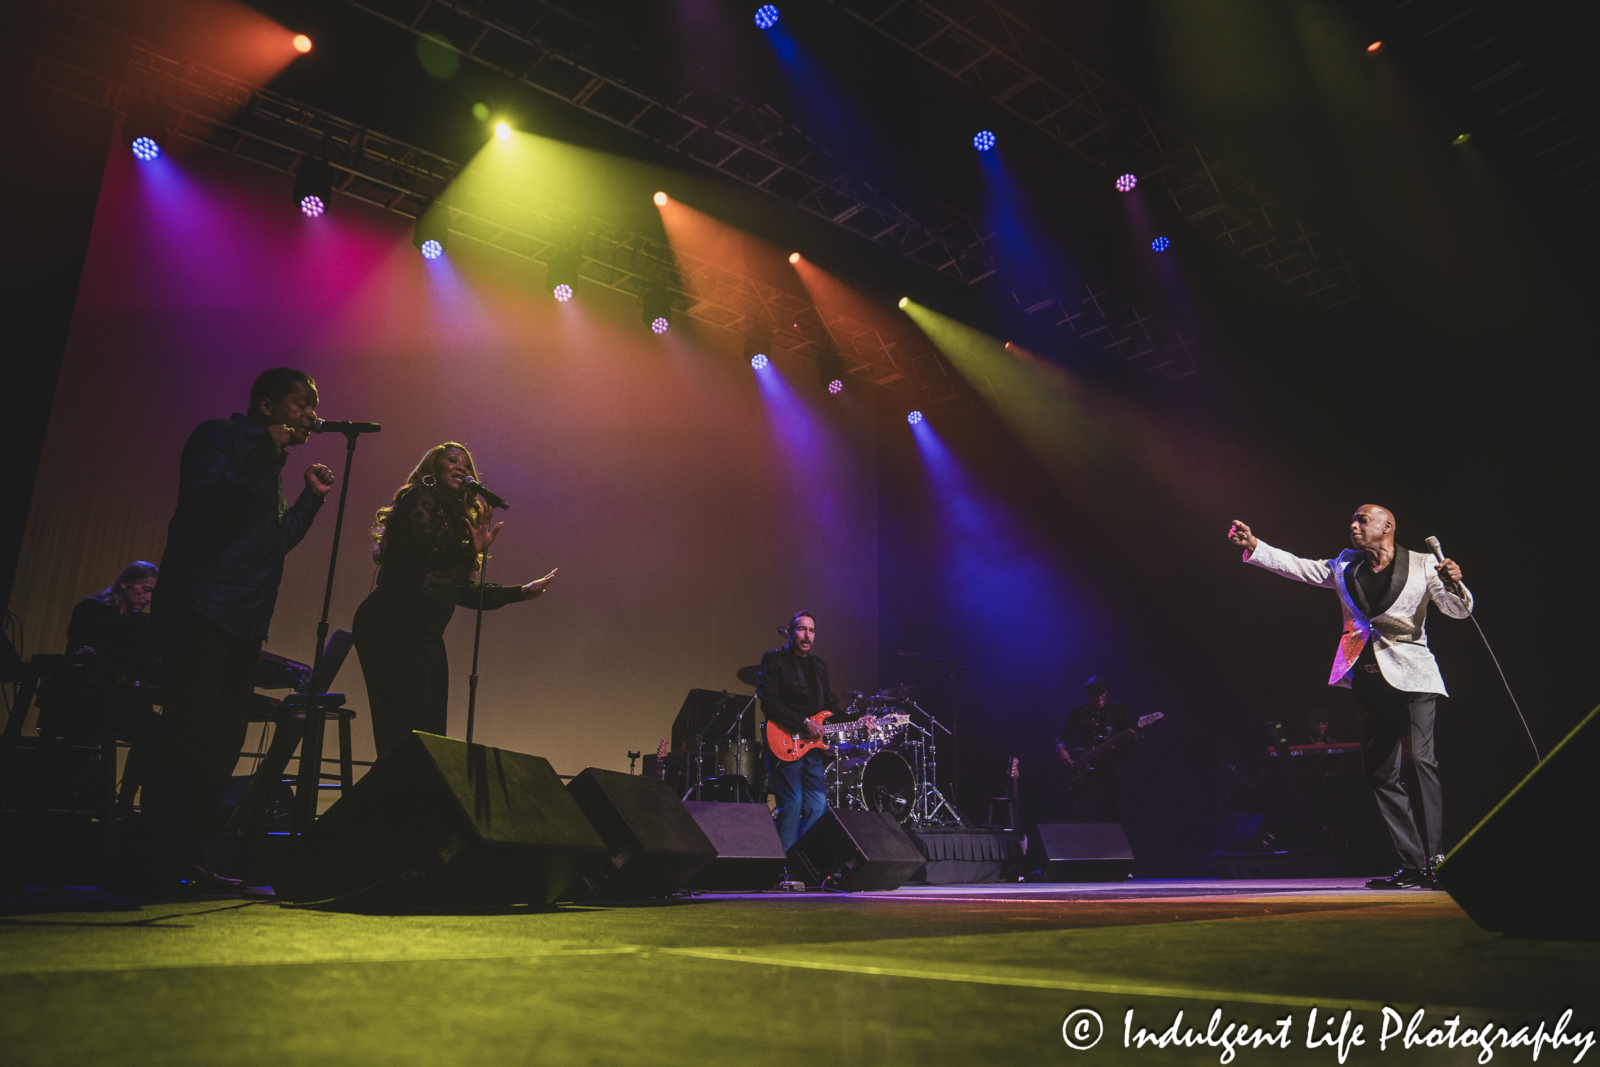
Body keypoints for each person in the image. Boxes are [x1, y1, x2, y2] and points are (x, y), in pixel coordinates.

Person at [139, 368, 335, 891]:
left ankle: (184, 857)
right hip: (201, 607)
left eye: (314, 406)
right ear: (267, 407)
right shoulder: (220, 437)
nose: (311, 415)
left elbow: (270, 542)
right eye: (302, 404)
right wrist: (263, 455)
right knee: (188, 735)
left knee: (223, 744)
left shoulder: (269, 467)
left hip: (245, 621)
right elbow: (205, 499)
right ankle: (149, 860)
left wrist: (309, 501)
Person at [1228, 506, 1471, 889]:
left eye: (1362, 520)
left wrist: (1456, 583)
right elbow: (1300, 566)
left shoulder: (1424, 564)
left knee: (1422, 761)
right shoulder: (1345, 565)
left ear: (1387, 526)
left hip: (1414, 678)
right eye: (1353, 520)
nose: (1353, 526)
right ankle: (1411, 864)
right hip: (1368, 680)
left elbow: (1457, 611)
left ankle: (1439, 858)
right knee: (1379, 774)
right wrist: (1256, 545)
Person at [352, 443, 557, 758]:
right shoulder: (418, 500)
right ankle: (392, 803)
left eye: (467, 465)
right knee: (404, 733)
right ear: (434, 468)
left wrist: (519, 592)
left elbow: (459, 590)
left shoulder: (459, 518)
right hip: (390, 626)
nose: (462, 468)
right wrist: (465, 547)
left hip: (425, 636)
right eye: (453, 461)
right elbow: (419, 556)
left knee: (432, 737)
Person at [757, 610, 872, 850]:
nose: (807, 635)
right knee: (792, 803)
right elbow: (769, 703)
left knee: (818, 804)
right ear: (790, 633)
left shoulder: (819, 665)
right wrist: (802, 722)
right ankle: (782, 869)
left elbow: (830, 709)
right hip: (785, 740)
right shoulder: (774, 660)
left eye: (811, 630)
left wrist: (861, 720)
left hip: (812, 748)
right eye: (802, 629)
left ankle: (799, 857)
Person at [1054, 676, 1139, 823]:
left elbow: (1137, 738)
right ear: (1088, 694)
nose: (1100, 698)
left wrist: (1135, 737)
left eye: (1103, 695)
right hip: (1089, 768)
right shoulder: (1078, 712)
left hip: (1114, 767)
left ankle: (1120, 846)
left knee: (1118, 814)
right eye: (1096, 696)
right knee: (1082, 814)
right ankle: (1078, 845)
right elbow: (1061, 735)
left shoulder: (1118, 709)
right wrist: (1061, 749)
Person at [65, 561, 159, 662]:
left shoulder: (139, 622)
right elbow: (76, 648)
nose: (149, 598)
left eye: (153, 592)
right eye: (146, 589)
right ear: (125, 583)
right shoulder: (90, 608)